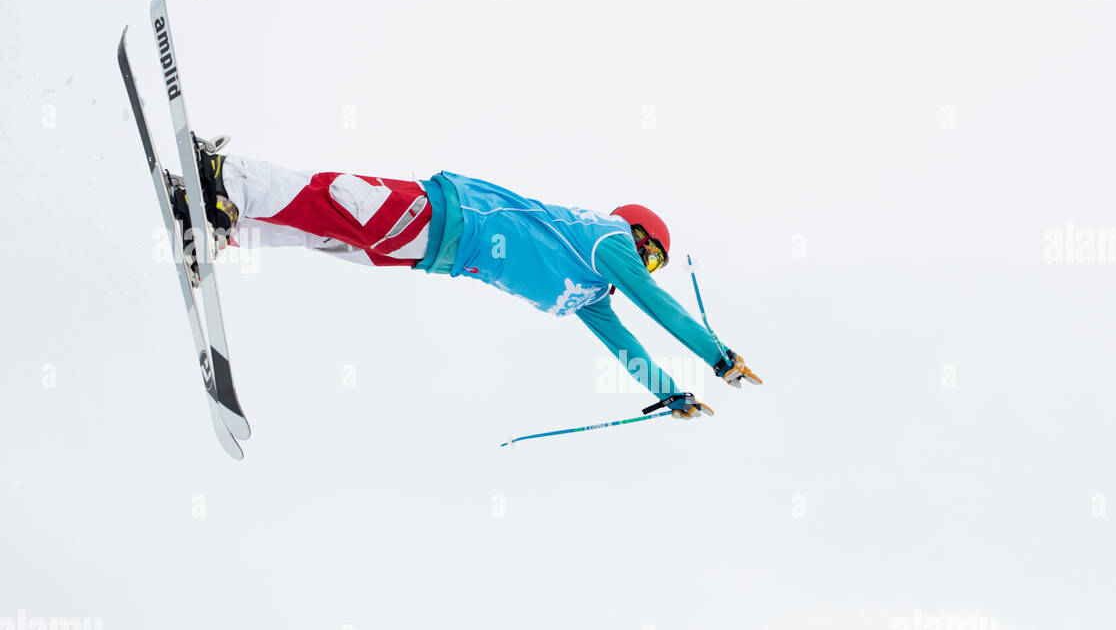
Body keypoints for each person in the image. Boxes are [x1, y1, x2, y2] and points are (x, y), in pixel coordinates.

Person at [172, 137, 763, 419]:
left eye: (651, 264)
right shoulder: (608, 241)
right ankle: (225, 175)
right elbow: (660, 310)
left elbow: (625, 343)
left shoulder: (588, 292)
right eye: (648, 256)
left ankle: (222, 224)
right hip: (453, 215)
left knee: (332, 234)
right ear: (634, 234)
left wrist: (666, 391)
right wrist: (718, 358)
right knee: (341, 199)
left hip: (440, 256)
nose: (643, 269)